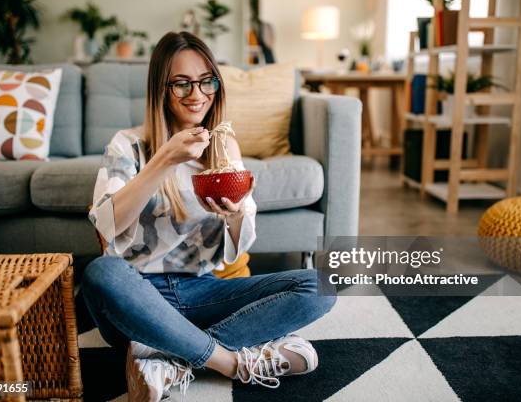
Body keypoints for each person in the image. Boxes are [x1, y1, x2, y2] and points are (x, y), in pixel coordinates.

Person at [82, 31, 336, 401]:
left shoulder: (224, 147)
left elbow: (238, 244)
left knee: (322, 284)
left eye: (206, 82)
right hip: (138, 298)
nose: (197, 95)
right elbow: (106, 224)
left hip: (204, 292)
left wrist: (233, 216)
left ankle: (168, 358)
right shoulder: (127, 145)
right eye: (182, 84)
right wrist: (164, 159)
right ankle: (231, 362)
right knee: (99, 273)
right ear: (160, 89)